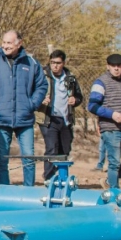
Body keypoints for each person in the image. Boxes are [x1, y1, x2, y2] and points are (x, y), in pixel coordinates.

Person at [0, 30, 47, 186]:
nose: (5, 46)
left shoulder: (31, 63)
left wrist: (32, 104)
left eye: (9, 43)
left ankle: (29, 190)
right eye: (4, 42)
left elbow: (41, 85)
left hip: (25, 119)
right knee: (2, 159)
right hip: (1, 119)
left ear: (19, 43)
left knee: (28, 157)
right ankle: (4, 191)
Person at [87, 53, 121, 189]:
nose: (116, 68)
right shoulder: (101, 82)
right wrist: (111, 114)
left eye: (119, 66)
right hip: (110, 129)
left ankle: (110, 181)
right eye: (113, 66)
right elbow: (92, 106)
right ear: (107, 66)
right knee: (114, 162)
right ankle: (114, 192)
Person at [35, 49, 83, 180]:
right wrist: (40, 100)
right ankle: (48, 178)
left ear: (63, 63)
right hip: (48, 118)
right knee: (51, 148)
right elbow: (31, 92)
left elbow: (79, 96)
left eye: (58, 63)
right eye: (52, 62)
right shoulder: (42, 75)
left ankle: (62, 178)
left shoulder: (70, 78)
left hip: (65, 119)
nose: (54, 66)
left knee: (65, 150)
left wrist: (75, 100)